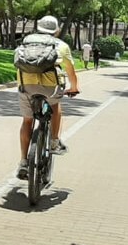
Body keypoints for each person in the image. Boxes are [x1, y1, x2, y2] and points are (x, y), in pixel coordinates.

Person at [15, 15, 80, 180]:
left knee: (27, 120)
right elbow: (70, 71)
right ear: (56, 30)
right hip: (51, 87)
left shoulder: (27, 41)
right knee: (56, 107)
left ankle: (23, 161)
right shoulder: (62, 45)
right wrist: (74, 87)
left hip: (26, 85)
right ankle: (54, 141)